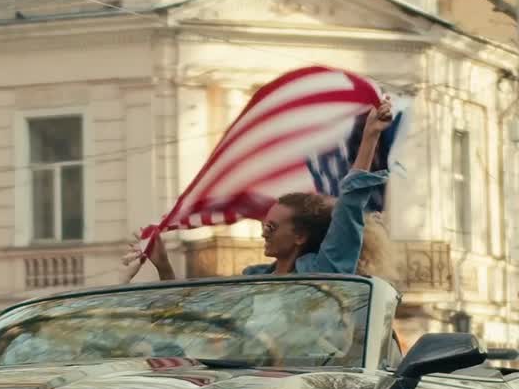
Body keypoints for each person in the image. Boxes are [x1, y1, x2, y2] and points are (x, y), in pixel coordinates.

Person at [122, 98, 397, 284]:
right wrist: (163, 266)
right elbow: (197, 320)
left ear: (300, 236)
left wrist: (371, 135)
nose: (263, 233)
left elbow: (349, 203)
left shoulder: (324, 271)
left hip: (308, 370)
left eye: (271, 227)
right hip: (255, 371)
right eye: (265, 226)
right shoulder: (252, 280)